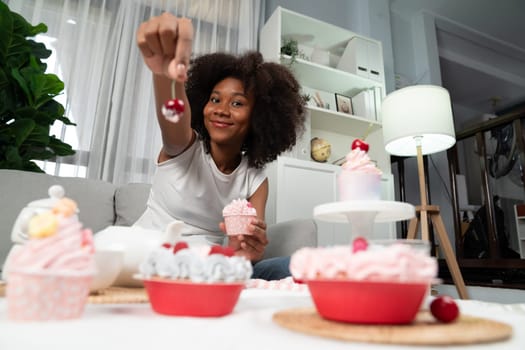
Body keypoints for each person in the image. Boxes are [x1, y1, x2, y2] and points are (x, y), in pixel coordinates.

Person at [133, 13, 306, 280]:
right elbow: (173, 115)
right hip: (143, 257)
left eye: (237, 103)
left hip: (204, 268)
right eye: (214, 100)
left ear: (258, 116)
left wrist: (248, 250)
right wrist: (165, 77)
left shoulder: (255, 180)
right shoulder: (183, 147)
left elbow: (245, 250)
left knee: (295, 265)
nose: (221, 111)